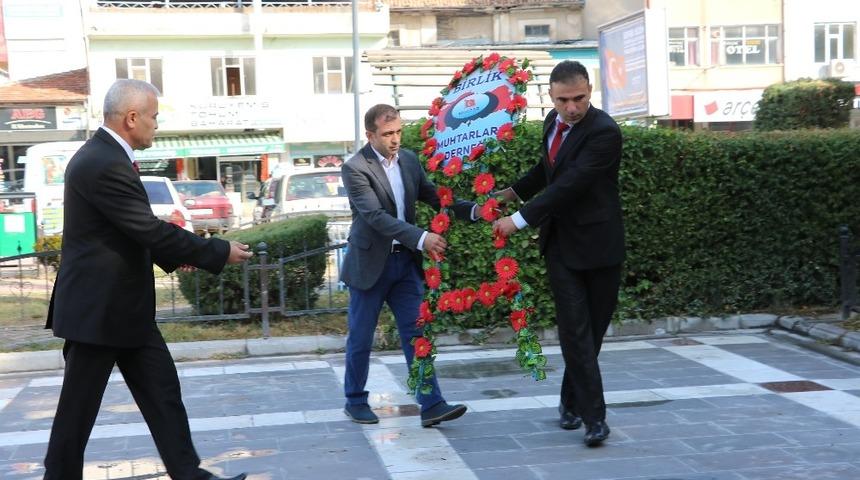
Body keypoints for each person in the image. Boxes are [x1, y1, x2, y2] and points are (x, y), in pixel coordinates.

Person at [43, 79, 252, 480]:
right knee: (76, 417)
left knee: (163, 398)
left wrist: (177, 255)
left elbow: (127, 232)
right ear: (132, 118)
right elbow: (147, 229)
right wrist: (216, 251)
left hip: (125, 312)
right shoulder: (103, 163)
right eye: (154, 116)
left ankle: (191, 476)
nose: (157, 124)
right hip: (98, 316)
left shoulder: (105, 157)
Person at [493, 60, 624, 447]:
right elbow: (547, 169)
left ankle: (569, 401)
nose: (572, 107)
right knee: (574, 332)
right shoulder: (552, 122)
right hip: (561, 248)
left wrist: (517, 220)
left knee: (591, 336)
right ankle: (594, 419)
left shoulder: (605, 132)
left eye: (579, 98)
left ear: (590, 91)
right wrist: (512, 192)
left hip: (601, 248)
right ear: (550, 95)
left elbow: (570, 184)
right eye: (564, 99)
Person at [340, 104, 476, 427]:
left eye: (398, 132)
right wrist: (422, 237)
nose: (395, 139)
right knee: (361, 336)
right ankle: (354, 400)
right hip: (370, 264)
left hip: (404, 265)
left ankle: (431, 404)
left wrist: (472, 211)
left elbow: (434, 197)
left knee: (417, 333)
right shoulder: (355, 168)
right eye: (387, 134)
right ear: (370, 134)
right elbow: (374, 216)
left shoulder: (410, 160)